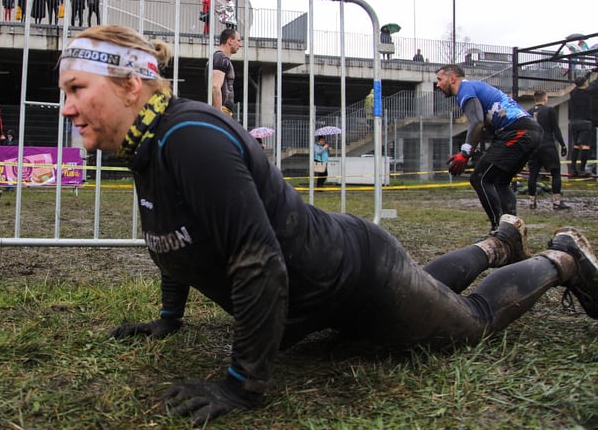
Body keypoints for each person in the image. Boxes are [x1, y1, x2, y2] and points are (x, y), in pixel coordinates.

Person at [58, 25, 598, 427]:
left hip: (357, 273)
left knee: (471, 322)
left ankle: (561, 258)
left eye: (77, 88)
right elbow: (175, 236)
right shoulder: (146, 144)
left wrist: (241, 385)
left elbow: (259, 261)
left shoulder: (190, 137)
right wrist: (167, 319)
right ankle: (500, 242)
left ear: (132, 86)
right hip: (321, 294)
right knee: (425, 290)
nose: (66, 108)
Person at [435, 64, 541, 234]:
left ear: (452, 78)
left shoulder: (465, 89)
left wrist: (465, 153)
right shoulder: (476, 87)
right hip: (531, 132)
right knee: (501, 181)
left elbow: (477, 122)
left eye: (440, 79)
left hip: (518, 132)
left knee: (480, 178)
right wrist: (468, 152)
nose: (437, 84)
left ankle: (499, 231)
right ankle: (511, 231)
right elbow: (482, 127)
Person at [527, 90, 569, 211]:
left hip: (534, 146)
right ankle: (556, 202)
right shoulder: (549, 110)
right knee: (555, 173)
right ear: (545, 99)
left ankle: (532, 202)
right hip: (547, 145)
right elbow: (556, 129)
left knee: (533, 174)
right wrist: (562, 144)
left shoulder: (528, 112)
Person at [568, 75, 598, 177]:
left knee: (576, 145)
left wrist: (588, 74)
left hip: (574, 122)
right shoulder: (588, 92)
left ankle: (573, 169)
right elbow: (596, 84)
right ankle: (582, 169)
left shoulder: (573, 93)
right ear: (585, 83)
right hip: (585, 122)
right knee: (585, 146)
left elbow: (577, 84)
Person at [210, 28, 242, 116]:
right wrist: (219, 115)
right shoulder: (221, 58)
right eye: (238, 41)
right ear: (230, 41)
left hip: (224, 111)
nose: (240, 45)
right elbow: (215, 86)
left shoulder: (220, 58)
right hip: (222, 111)